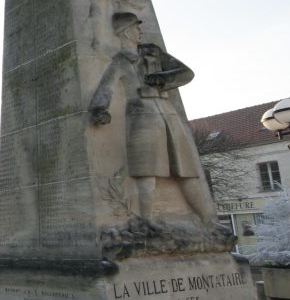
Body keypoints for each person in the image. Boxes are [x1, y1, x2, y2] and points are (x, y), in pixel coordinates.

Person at [89, 12, 216, 224]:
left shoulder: (152, 52)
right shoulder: (120, 61)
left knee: (186, 169)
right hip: (140, 114)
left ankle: (208, 221)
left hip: (168, 111)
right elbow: (106, 87)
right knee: (146, 169)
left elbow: (186, 73)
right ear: (125, 32)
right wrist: (100, 109)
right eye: (135, 27)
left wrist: (163, 77)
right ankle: (146, 222)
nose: (140, 31)